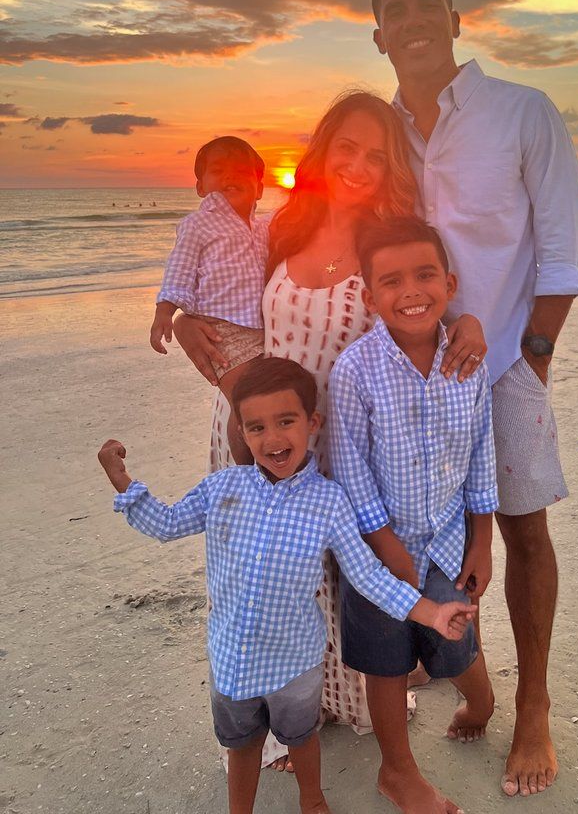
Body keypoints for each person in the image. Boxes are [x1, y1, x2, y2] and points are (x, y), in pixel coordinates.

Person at [172, 91, 487, 771]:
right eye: (345, 146)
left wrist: (469, 323)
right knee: (270, 581)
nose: (358, 164)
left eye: (376, 154)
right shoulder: (280, 229)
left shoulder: (389, 237)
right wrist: (181, 316)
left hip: (342, 443)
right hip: (256, 433)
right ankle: (291, 712)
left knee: (342, 582)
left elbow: (425, 305)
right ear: (322, 150)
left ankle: (354, 700)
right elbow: (223, 298)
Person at [370, 0, 578, 798]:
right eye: (401, 8)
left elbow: (566, 249)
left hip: (503, 366)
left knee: (523, 533)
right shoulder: (382, 134)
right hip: (407, 374)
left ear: (458, 20)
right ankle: (470, 674)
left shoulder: (521, 113)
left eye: (432, 4)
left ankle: (532, 707)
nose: (418, 19)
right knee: (422, 531)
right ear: (379, 32)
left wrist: (531, 359)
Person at [97, 356, 476, 814]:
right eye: (256, 427)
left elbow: (368, 576)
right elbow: (168, 523)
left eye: (286, 422)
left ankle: (312, 800)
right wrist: (123, 483)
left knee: (301, 735)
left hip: (295, 663)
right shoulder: (223, 488)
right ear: (240, 431)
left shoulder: (329, 501)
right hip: (231, 660)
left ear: (311, 422)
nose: (273, 439)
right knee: (242, 743)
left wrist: (432, 613)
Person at [328, 216, 498, 814]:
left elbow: (482, 453)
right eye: (392, 281)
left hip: (450, 541)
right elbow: (350, 465)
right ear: (370, 297)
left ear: (449, 283)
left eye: (425, 275)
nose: (411, 291)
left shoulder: (467, 364)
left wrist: (483, 540)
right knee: (385, 659)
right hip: (377, 553)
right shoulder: (355, 370)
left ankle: (481, 705)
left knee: (456, 640)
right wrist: (385, 546)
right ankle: (397, 771)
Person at [150, 136, 268, 464]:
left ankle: (258, 468)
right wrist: (165, 311)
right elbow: (180, 268)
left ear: (259, 187)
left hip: (259, 333)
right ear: (200, 186)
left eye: (241, 171)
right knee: (246, 403)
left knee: (260, 402)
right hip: (219, 332)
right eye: (218, 171)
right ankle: (249, 472)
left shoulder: (262, 228)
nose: (230, 177)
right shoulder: (198, 225)